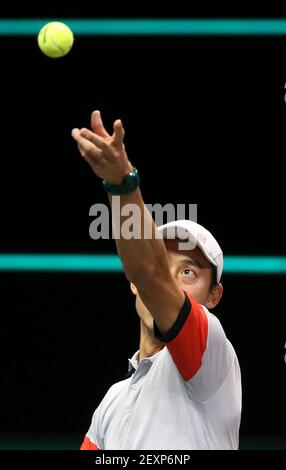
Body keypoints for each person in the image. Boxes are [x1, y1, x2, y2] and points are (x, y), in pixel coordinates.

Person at [71, 111, 242, 450]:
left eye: (188, 272)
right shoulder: (111, 403)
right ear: (132, 282)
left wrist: (121, 183)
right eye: (166, 267)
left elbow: (150, 273)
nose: (172, 281)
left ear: (214, 296)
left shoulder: (212, 355)